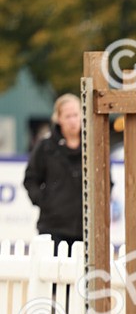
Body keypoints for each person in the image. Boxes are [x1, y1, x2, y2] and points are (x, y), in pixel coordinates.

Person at [23, 93, 83, 249]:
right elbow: (30, 179)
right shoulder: (46, 146)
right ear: (58, 118)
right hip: (53, 226)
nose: (72, 121)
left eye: (76, 115)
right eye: (68, 116)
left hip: (84, 227)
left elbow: (105, 181)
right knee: (52, 272)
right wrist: (45, 202)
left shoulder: (93, 145)